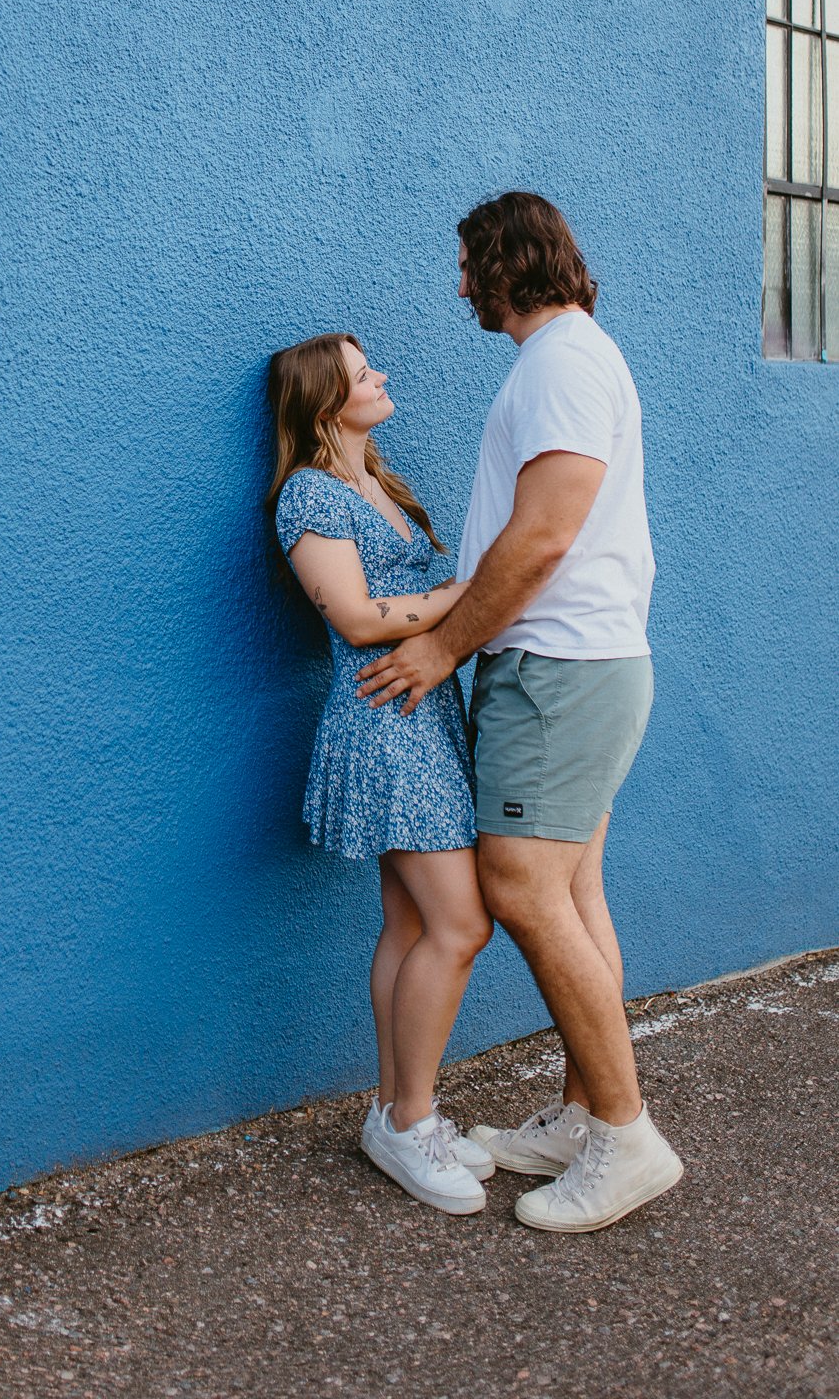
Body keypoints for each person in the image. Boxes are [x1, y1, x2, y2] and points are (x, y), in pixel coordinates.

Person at [355, 192, 683, 1233]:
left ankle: (625, 1137)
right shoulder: (565, 359)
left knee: (521, 884)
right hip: (574, 665)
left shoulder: (562, 363)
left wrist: (443, 645)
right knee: (573, 886)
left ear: (505, 261)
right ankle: (589, 1115)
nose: (458, 284)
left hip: (559, 668)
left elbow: (543, 537)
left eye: (466, 263)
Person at [267, 332, 495, 1215]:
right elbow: (359, 621)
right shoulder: (309, 496)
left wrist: (449, 608)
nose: (384, 376)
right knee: (458, 924)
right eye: (365, 374)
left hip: (423, 711)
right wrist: (458, 599)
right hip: (382, 719)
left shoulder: (382, 487)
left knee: (407, 924)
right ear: (326, 401)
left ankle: (398, 1117)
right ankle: (409, 1122)